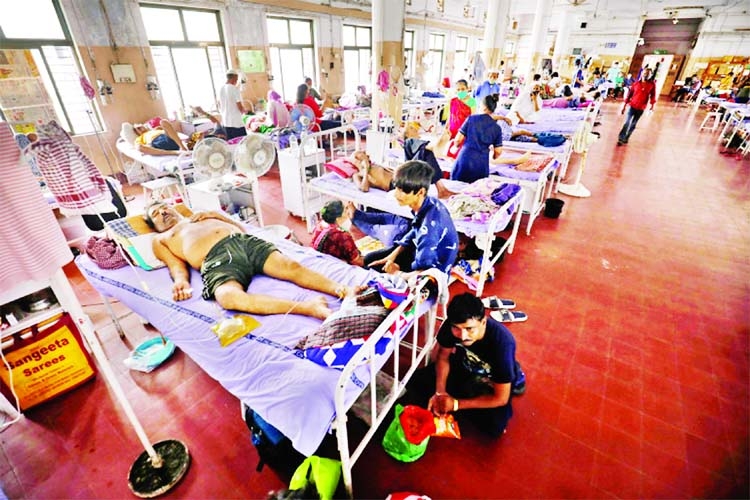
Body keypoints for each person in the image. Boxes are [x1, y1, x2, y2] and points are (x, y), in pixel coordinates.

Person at [146, 203, 359, 320]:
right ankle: (309, 308)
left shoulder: (200, 214)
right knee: (227, 297)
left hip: (243, 242)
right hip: (216, 260)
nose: (163, 212)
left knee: (290, 266)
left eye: (164, 207)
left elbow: (241, 229)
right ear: (153, 226)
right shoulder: (161, 239)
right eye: (155, 213)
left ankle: (343, 289)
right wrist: (181, 281)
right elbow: (175, 265)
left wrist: (215, 215)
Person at [405, 293, 523, 437]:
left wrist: (455, 404)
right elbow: (442, 357)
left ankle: (513, 375)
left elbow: (501, 398)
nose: (462, 335)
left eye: (469, 329)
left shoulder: (502, 343)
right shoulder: (450, 327)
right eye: (456, 328)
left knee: (494, 427)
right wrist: (440, 392)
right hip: (464, 366)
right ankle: (459, 398)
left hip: (489, 380)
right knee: (416, 380)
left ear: (483, 322)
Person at [358, 160, 459, 278]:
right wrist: (392, 255)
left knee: (376, 277)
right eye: (396, 188)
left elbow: (425, 275)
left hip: (431, 273)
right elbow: (415, 230)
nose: (396, 194)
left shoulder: (429, 231)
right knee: (370, 261)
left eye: (403, 191)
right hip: (417, 251)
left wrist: (396, 273)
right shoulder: (429, 202)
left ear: (420, 192)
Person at [450, 94, 505, 183]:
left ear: (483, 107)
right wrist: (494, 156)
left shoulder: (471, 119)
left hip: (465, 159)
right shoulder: (497, 128)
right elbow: (498, 152)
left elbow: (458, 140)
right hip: (481, 164)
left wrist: (455, 147)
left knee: (456, 189)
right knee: (476, 192)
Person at [311, 200, 364, 267]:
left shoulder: (319, 225)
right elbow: (358, 263)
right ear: (338, 218)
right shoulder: (342, 235)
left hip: (318, 265)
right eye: (345, 211)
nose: (348, 214)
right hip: (334, 270)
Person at [617, 67, 656, 146]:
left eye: (648, 74)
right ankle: (621, 137)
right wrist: (624, 106)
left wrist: (652, 106)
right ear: (642, 73)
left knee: (633, 124)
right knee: (627, 122)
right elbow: (629, 95)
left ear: (650, 75)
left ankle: (626, 138)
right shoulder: (636, 84)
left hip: (641, 108)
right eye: (645, 73)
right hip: (632, 106)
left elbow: (653, 95)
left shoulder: (652, 84)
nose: (646, 75)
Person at [122, 119, 188, 156]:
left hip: (168, 139)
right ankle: (174, 152)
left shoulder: (155, 129)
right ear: (137, 133)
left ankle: (182, 147)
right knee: (139, 147)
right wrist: (147, 146)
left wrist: (157, 128)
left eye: (140, 126)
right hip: (156, 144)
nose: (140, 128)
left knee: (163, 122)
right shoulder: (139, 138)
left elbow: (168, 130)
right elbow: (138, 146)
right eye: (137, 129)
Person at [219, 69, 248, 140]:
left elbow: (219, 104)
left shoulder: (221, 88)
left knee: (231, 143)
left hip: (226, 122)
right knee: (242, 143)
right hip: (236, 123)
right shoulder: (234, 89)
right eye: (237, 78)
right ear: (234, 77)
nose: (237, 80)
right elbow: (239, 105)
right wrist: (245, 111)